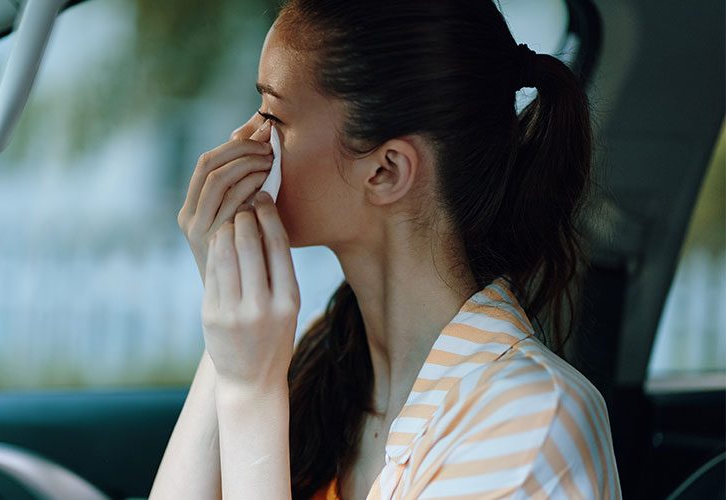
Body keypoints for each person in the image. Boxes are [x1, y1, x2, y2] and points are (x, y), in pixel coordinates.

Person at [151, 0, 622, 498]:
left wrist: (251, 392)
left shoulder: (530, 424)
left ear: (386, 170)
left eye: (273, 114)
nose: (244, 137)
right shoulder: (320, 358)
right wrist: (229, 345)